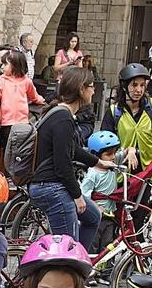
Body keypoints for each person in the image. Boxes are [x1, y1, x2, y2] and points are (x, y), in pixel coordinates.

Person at [27, 66, 100, 236]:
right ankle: (72, 261)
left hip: (50, 184)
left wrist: (97, 162)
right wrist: (77, 196)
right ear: (81, 89)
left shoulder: (59, 113)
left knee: (93, 217)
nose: (94, 90)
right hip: (51, 187)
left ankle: (80, 261)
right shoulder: (63, 118)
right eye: (91, 86)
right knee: (67, 249)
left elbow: (71, 149)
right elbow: (62, 164)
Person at [0, 49, 44, 169]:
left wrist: (41, 100)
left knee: (18, 150)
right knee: (4, 149)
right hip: (7, 123)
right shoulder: (2, 80)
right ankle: (3, 170)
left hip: (22, 123)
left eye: (5, 64)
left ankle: (16, 172)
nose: (2, 67)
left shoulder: (26, 82)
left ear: (15, 65)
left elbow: (33, 96)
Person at [105, 62, 152, 175]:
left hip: (148, 170)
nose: (139, 90)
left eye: (142, 85)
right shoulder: (114, 111)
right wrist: (126, 151)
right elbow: (106, 146)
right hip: (122, 170)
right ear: (124, 86)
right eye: (134, 85)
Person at [79, 133, 125, 254]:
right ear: (96, 156)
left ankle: (107, 272)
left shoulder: (112, 167)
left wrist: (130, 152)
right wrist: (94, 206)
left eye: (114, 153)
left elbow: (125, 152)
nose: (113, 157)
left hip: (110, 217)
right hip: (97, 217)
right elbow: (84, 194)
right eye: (108, 154)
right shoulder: (93, 174)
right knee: (92, 246)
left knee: (108, 246)